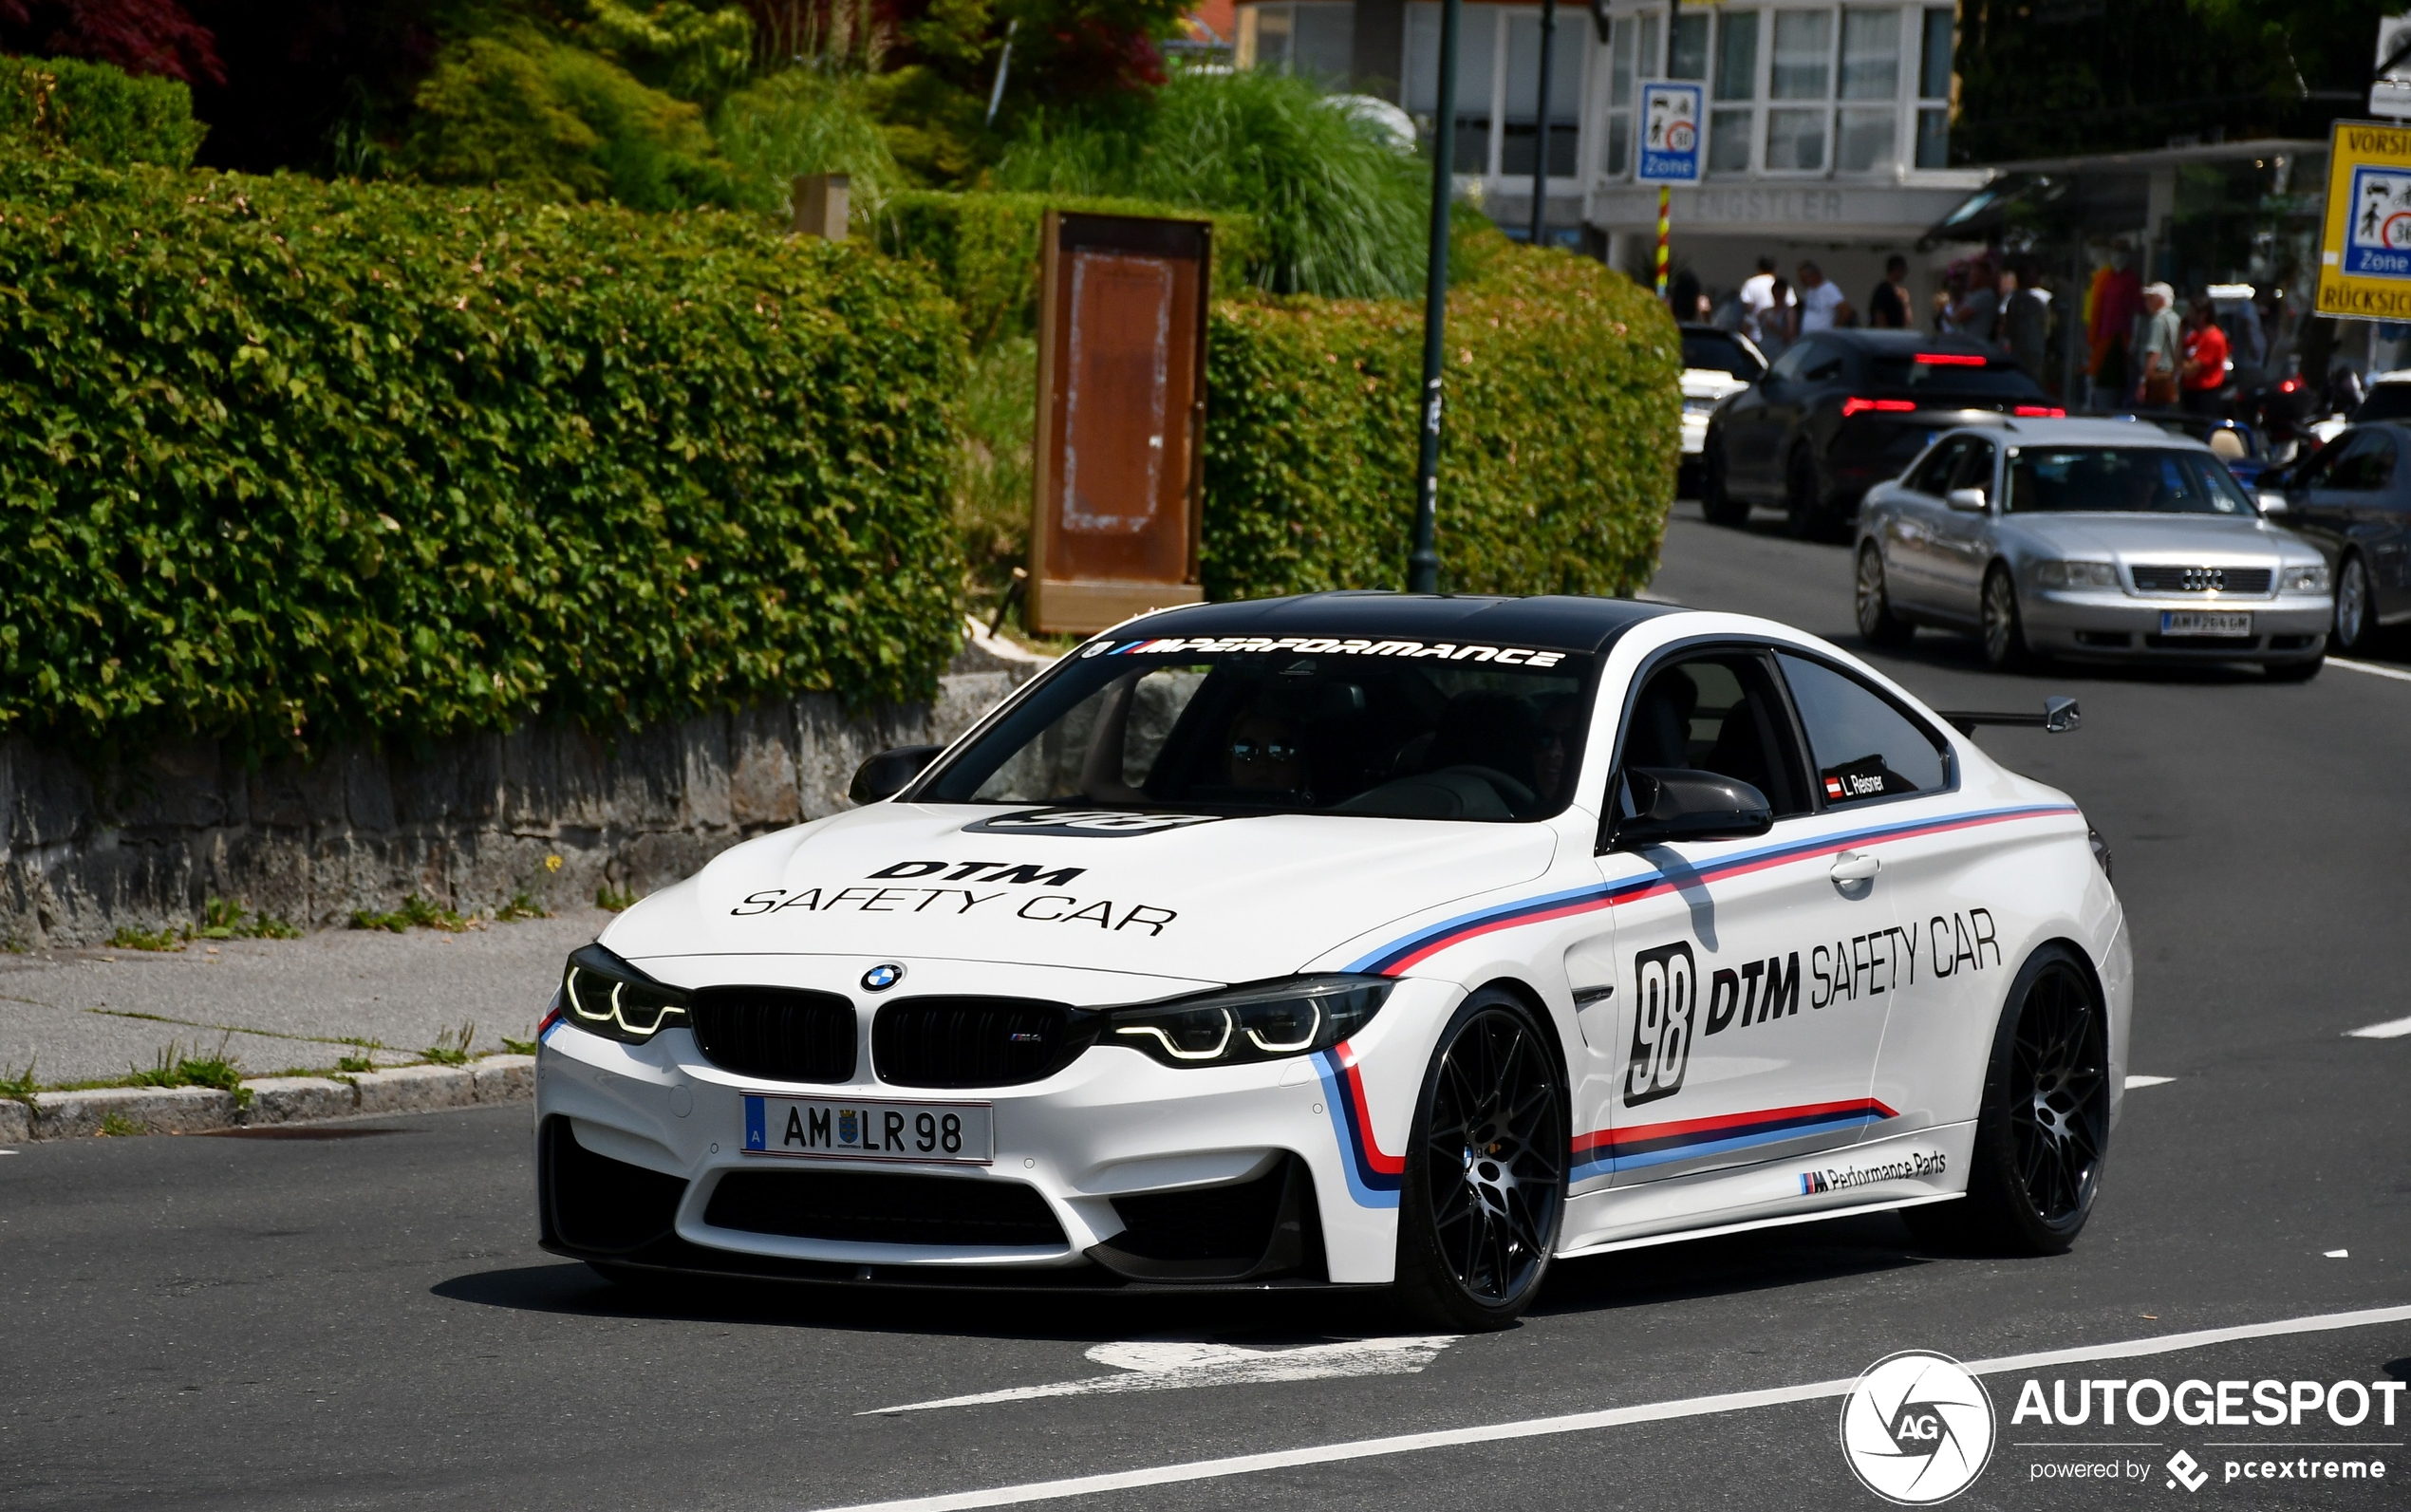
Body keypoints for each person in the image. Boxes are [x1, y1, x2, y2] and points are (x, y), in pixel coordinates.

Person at [2087, 247, 2141, 409]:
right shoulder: (2104, 277)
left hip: (2122, 334)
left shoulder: (2131, 279)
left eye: (2122, 254)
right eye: (2115, 254)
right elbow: (2097, 306)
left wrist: (2134, 339)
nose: (2118, 258)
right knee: (2095, 371)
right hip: (2104, 333)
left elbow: (2137, 308)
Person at [2179, 295, 2230, 417]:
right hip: (2191, 392)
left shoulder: (2213, 338)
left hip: (2205, 396)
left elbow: (2190, 370)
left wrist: (2179, 358)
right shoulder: (2196, 336)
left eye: (2191, 312)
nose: (2188, 316)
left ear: (2202, 315)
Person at [2136, 282, 2181, 408]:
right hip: (2172, 378)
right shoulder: (2175, 319)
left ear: (2160, 300)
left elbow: (2154, 353)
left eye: (2151, 298)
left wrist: (2144, 381)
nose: (2147, 302)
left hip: (2158, 379)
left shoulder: (2158, 321)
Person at [2003, 259, 2049, 376]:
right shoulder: (2022, 300)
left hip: (2031, 349)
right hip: (2027, 350)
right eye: (2033, 273)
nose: (2037, 277)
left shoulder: (2030, 299)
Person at [1948, 258, 2001, 345]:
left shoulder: (1985, 295)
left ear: (1983, 275)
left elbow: (1958, 317)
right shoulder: (1976, 295)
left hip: (1975, 344)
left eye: (1974, 273)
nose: (1970, 277)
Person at [1795, 260, 1854, 333]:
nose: (1802, 281)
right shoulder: (1810, 290)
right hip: (1809, 336)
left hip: (1821, 336)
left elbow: (1845, 310)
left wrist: (1834, 329)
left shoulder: (1829, 289)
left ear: (1814, 275)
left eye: (1804, 278)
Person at [1754, 276, 1796, 356]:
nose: (1778, 296)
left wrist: (1775, 327)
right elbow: (1753, 325)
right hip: (1763, 349)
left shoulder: (1789, 312)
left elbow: (1790, 336)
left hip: (1779, 351)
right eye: (1776, 293)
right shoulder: (1766, 311)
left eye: (1780, 293)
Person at [1869, 254, 1912, 328]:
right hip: (1887, 336)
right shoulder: (1884, 290)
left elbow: (1908, 320)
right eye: (1902, 271)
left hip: (1897, 334)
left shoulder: (1900, 293)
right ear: (1896, 270)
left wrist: (1905, 303)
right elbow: (1879, 315)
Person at [1739, 254, 1779, 332]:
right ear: (1775, 268)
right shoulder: (1779, 284)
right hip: (1775, 327)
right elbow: (1790, 304)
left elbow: (1747, 304)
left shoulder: (1751, 283)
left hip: (1754, 327)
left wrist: (1756, 315)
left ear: (1759, 268)